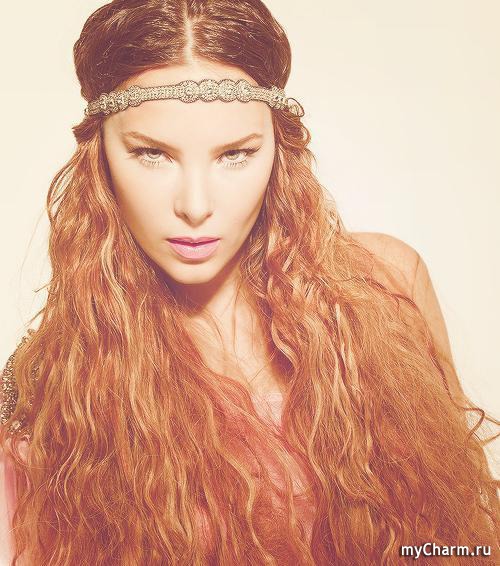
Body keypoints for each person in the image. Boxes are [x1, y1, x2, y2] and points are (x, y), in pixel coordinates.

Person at [1, 0, 498, 564]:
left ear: (280, 149)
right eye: (151, 154)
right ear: (100, 159)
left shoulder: (385, 284)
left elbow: (470, 531)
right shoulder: (53, 384)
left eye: (235, 154)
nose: (195, 206)